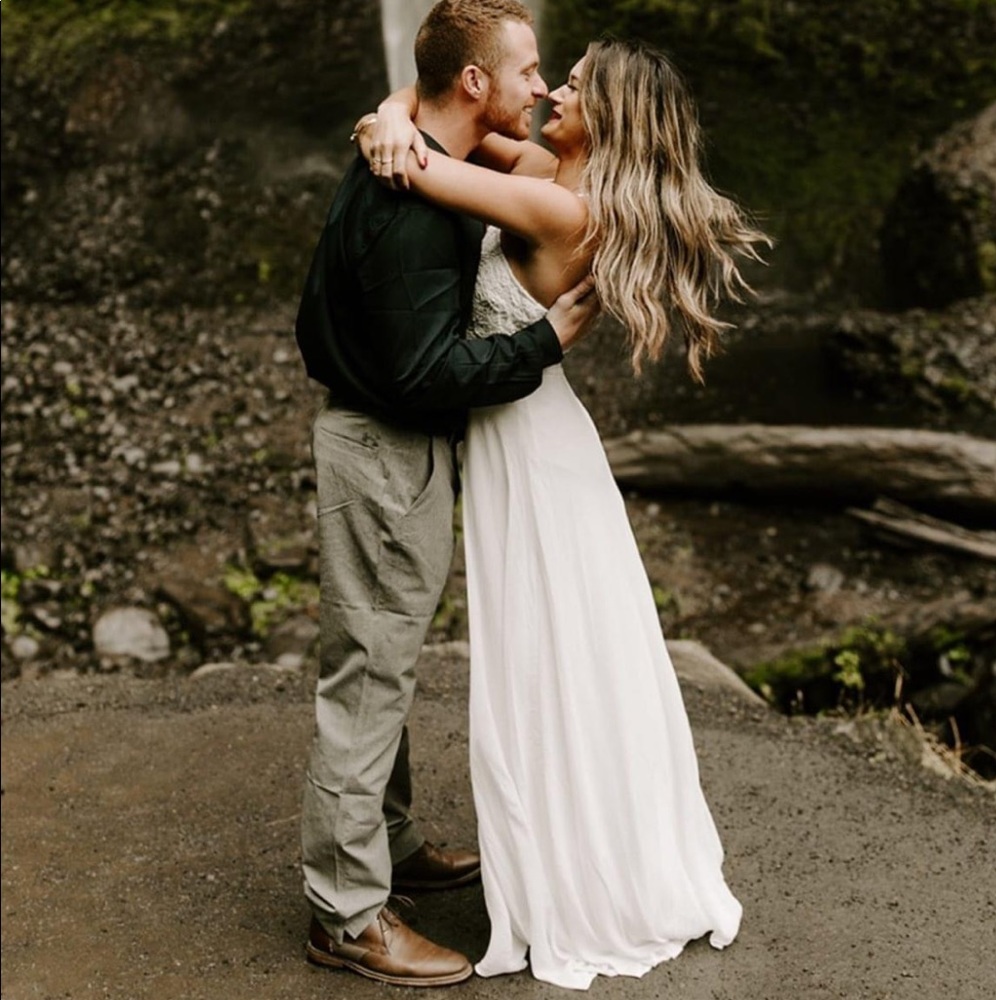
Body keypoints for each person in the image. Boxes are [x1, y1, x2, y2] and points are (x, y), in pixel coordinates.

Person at [358, 30, 771, 991]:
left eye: (575, 84)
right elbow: (422, 113)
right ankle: (586, 852)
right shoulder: (545, 166)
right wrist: (388, 111)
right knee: (572, 658)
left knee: (549, 665)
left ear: (611, 112)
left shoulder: (553, 202)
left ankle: (581, 881)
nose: (552, 90)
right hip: (528, 442)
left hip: (533, 457)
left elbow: (420, 160)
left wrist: (388, 128)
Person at [292, 0, 598, 989]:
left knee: (383, 657)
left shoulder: (411, 154)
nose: (538, 88)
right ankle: (347, 913)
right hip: (385, 446)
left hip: (379, 438)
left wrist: (388, 111)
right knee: (369, 676)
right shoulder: (416, 201)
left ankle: (389, 839)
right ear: (475, 84)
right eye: (525, 71)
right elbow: (426, 373)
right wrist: (544, 344)